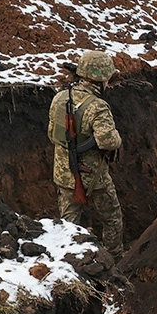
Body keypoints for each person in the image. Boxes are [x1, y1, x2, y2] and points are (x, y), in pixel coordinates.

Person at [46, 50, 124, 259]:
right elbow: (108, 142)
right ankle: (115, 260)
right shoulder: (98, 107)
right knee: (112, 219)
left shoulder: (60, 97)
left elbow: (52, 134)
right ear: (102, 79)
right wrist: (117, 136)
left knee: (68, 224)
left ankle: (68, 261)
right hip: (94, 177)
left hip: (64, 174)